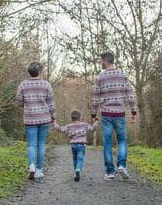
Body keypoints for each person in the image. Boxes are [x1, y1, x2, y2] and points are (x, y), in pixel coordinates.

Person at [91, 52, 137, 180]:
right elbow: (130, 94)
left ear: (106, 61)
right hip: (120, 114)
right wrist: (133, 112)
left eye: (101, 60)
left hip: (106, 114)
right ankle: (122, 165)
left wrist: (93, 114)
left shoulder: (99, 78)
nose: (100, 63)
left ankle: (110, 172)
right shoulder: (123, 75)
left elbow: (95, 97)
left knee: (107, 143)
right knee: (122, 140)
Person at [16, 62, 56, 181]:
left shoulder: (23, 84)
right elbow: (51, 103)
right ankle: (39, 170)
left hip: (30, 118)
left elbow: (18, 101)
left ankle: (31, 166)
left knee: (31, 144)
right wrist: (54, 117)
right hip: (44, 118)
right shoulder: (46, 84)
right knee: (41, 144)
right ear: (40, 72)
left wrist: (27, 105)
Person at [53, 110, 99, 182]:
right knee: (80, 158)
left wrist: (55, 123)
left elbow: (60, 129)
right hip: (81, 144)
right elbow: (92, 128)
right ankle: (78, 170)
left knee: (75, 159)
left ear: (71, 118)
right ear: (80, 117)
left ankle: (76, 172)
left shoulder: (69, 126)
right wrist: (96, 121)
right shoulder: (84, 124)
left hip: (73, 145)